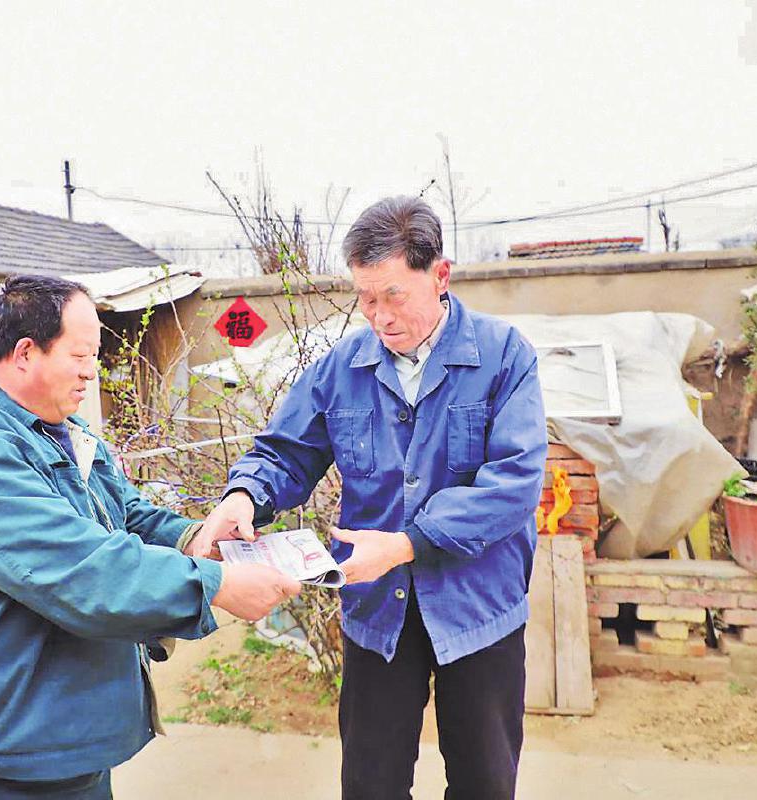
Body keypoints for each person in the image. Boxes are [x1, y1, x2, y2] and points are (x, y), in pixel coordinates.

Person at [190, 196, 548, 799]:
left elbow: (514, 482)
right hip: (378, 609)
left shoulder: (503, 355)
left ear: (440, 275)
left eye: (394, 295)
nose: (380, 316)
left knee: (484, 783)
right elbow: (286, 451)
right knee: (370, 785)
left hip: (478, 606)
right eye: (366, 298)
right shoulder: (342, 368)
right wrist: (245, 495)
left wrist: (408, 544)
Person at [0, 275, 299, 800]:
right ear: (25, 353)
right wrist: (215, 584)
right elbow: (82, 570)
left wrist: (197, 539)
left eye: (96, 355)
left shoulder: (57, 428)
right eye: (81, 355)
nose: (93, 371)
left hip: (58, 736)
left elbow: (124, 514)